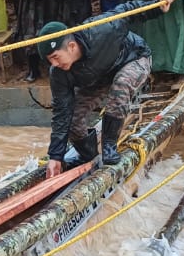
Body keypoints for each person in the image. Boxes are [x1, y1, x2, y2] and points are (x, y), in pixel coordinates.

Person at [37, 10, 151, 172]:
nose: (54, 64)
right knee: (73, 118)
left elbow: (128, 10)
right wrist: (56, 156)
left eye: (56, 57)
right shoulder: (58, 72)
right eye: (50, 61)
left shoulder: (99, 30)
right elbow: (62, 113)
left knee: (121, 86)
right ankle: (89, 155)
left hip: (132, 58)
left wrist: (159, 5)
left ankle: (109, 147)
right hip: (99, 76)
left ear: (71, 46)